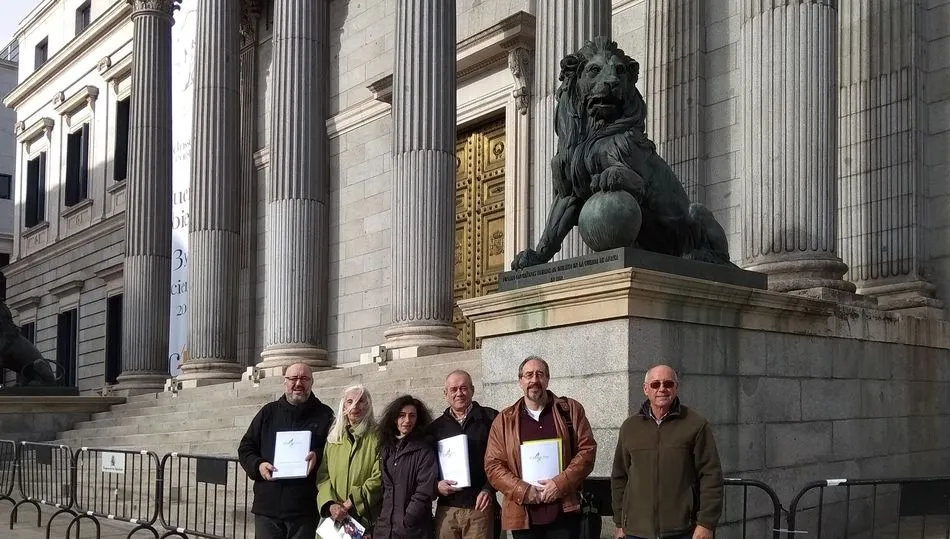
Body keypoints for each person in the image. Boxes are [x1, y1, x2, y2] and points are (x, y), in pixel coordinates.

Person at [484, 356, 597, 538]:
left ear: (547, 379)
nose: (534, 380)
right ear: (520, 381)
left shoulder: (570, 410)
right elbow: (493, 465)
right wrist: (523, 490)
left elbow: (587, 451)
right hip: (523, 515)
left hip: (564, 511)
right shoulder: (504, 420)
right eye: (528, 375)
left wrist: (559, 484)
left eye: (540, 374)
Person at [610, 365, 723, 539]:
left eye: (668, 383)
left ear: (676, 388)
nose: (662, 389)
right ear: (646, 389)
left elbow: (711, 476)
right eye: (655, 384)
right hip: (636, 532)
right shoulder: (630, 427)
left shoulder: (695, 424)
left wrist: (706, 523)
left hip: (682, 531)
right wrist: (619, 522)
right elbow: (620, 477)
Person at [237, 363, 334, 539]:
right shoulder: (268, 412)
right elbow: (246, 447)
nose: (298, 383)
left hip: (304, 509)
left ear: (312, 382)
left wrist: (318, 455)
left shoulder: (325, 414)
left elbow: (334, 451)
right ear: (285, 382)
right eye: (293, 378)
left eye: (304, 378)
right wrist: (258, 465)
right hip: (268, 508)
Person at [427, 369, 499, 539]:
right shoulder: (435, 428)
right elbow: (426, 467)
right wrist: (435, 486)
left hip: (480, 506)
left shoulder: (490, 418)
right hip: (447, 509)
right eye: (453, 389)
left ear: (472, 390)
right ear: (445, 393)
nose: (459, 393)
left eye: (464, 388)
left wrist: (488, 489)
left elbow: (501, 459)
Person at [317, 384, 382, 537]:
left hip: (365, 517)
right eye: (350, 401)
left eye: (361, 401)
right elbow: (323, 476)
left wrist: (352, 501)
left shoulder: (379, 436)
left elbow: (379, 477)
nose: (355, 406)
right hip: (335, 518)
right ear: (343, 405)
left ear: (368, 405)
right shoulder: (334, 438)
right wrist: (331, 504)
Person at [374, 395, 439, 539]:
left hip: (412, 530)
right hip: (385, 528)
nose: (407, 420)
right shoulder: (387, 448)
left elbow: (424, 491)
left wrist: (408, 519)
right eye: (402, 415)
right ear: (394, 418)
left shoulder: (424, 450)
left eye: (412, 416)